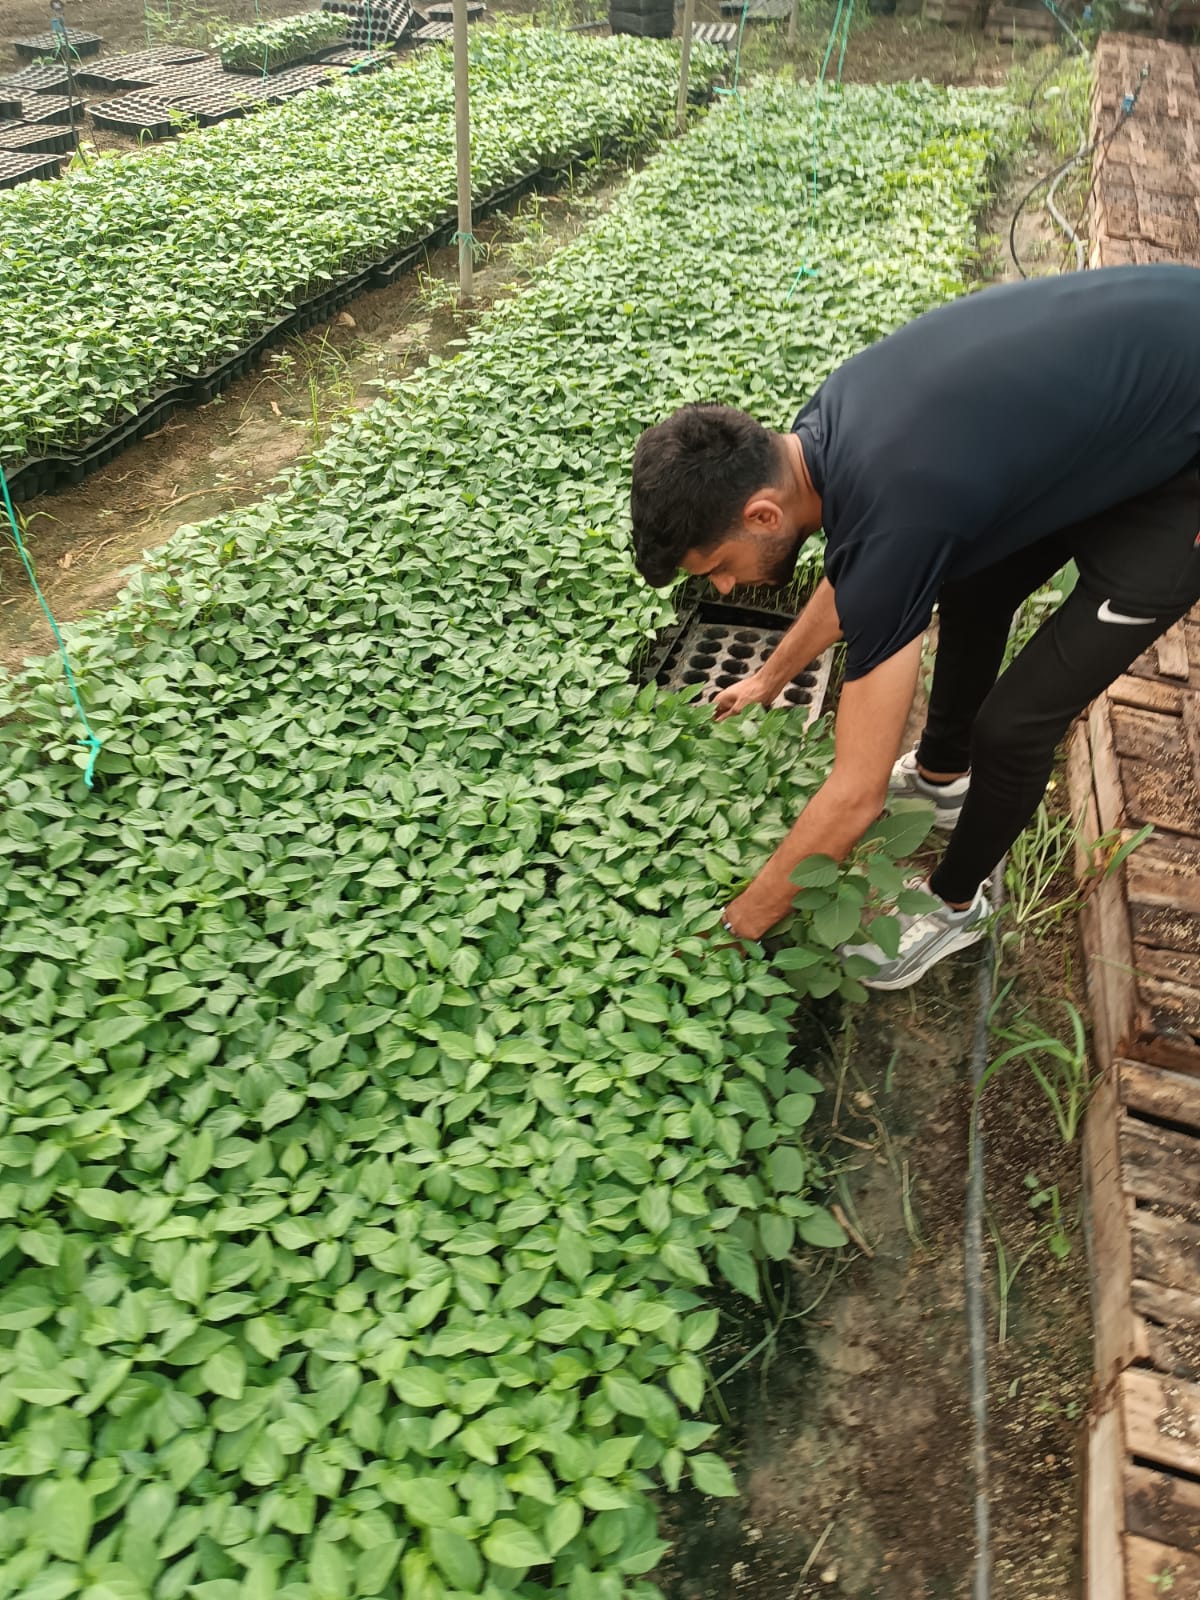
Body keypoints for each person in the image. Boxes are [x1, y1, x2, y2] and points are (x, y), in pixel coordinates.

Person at [629, 264, 1200, 990]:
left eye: (716, 566)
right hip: (1144, 386)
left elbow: (856, 794)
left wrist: (737, 926)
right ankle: (941, 778)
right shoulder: (822, 434)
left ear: (762, 514)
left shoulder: (895, 506)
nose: (723, 585)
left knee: (1016, 727)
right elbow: (862, 578)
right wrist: (770, 677)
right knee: (971, 583)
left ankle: (957, 904)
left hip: (1184, 461)